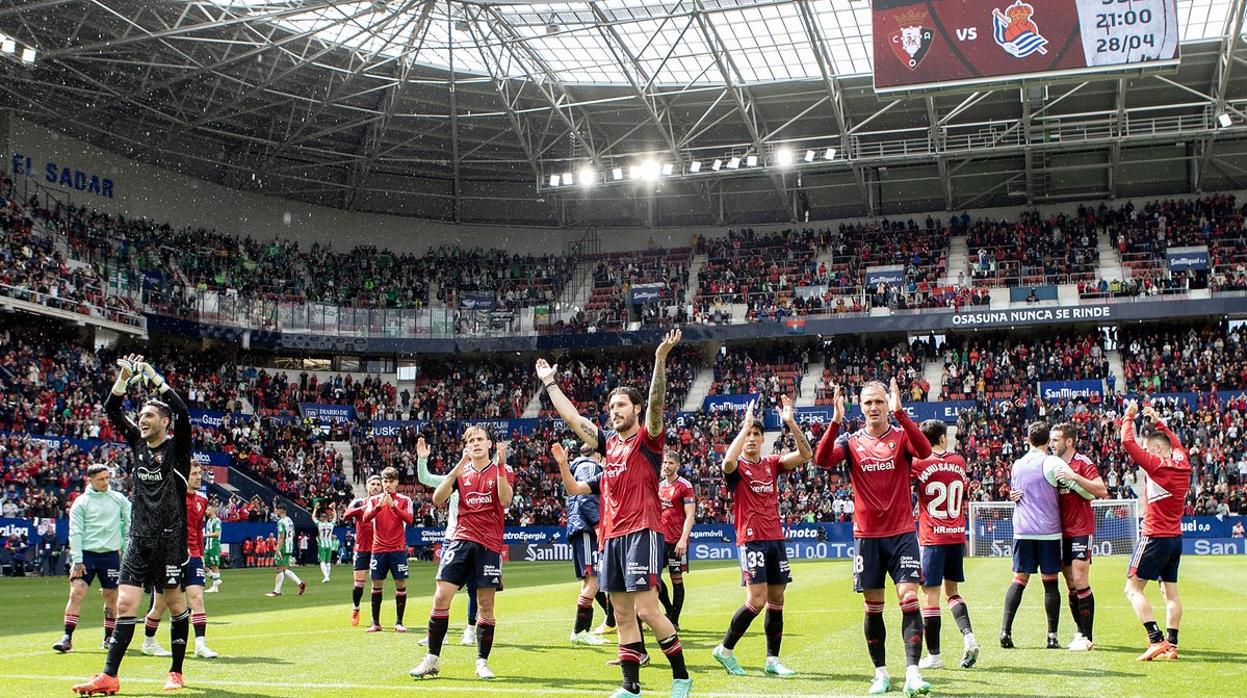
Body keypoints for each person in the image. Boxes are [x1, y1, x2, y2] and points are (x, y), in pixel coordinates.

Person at [539, 328, 693, 698]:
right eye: (611, 408)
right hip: (611, 538)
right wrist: (550, 383)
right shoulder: (608, 446)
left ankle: (681, 678)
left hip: (643, 531)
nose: (614, 412)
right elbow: (574, 419)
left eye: (621, 405)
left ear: (635, 409)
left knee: (646, 610)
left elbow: (656, 406)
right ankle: (630, 686)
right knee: (622, 614)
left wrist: (659, 360)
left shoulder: (648, 440)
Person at [73, 355, 193, 695]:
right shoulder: (138, 443)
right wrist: (125, 376)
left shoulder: (178, 449)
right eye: (140, 415)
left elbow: (184, 411)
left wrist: (153, 376)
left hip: (170, 540)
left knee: (174, 605)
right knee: (125, 605)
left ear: (165, 422)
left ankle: (176, 671)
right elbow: (112, 409)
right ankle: (110, 675)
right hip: (138, 539)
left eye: (149, 415)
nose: (141, 419)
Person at [814, 380, 933, 697]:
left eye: (879, 401)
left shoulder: (902, 435)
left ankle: (912, 673)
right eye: (868, 402)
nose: (874, 407)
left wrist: (902, 413)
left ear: (887, 403)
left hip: (902, 534)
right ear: (860, 406)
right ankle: (881, 673)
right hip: (867, 537)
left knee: (909, 599)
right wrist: (835, 419)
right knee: (873, 608)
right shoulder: (850, 441)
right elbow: (822, 460)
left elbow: (925, 451)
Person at [711, 395, 810, 678]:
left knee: (777, 597)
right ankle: (725, 649)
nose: (752, 438)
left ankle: (772, 660)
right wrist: (743, 427)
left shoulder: (771, 463)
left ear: (764, 439)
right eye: (748, 435)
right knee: (756, 600)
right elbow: (727, 462)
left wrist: (790, 422)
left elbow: (806, 455)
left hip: (775, 538)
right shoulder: (738, 468)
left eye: (756, 434)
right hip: (751, 538)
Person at [410, 429, 513, 680]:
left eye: (480, 439)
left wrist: (500, 467)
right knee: (441, 597)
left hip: (489, 545)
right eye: (471, 441)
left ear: (489, 443)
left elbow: (506, 500)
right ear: (465, 446)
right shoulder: (461, 472)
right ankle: (432, 660)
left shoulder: (503, 470)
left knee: (485, 605)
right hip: (460, 540)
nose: (476, 444)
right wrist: (458, 468)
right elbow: (437, 498)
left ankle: (482, 662)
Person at [1121, 402, 1191, 661]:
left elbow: (1127, 442)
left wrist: (1129, 415)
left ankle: (1155, 639)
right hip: (1175, 538)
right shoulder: (1183, 464)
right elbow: (1177, 444)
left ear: (1158, 449)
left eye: (1150, 448)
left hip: (1154, 536)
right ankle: (1172, 645)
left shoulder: (1157, 466)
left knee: (1132, 589)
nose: (1146, 452)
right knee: (1170, 593)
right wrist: (1158, 420)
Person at [911, 419, 979, 671]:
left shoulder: (919, 463)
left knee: (929, 595)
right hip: (956, 535)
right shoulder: (959, 462)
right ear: (941, 438)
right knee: (952, 592)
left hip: (933, 538)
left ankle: (935, 657)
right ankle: (969, 637)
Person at [1000, 422, 1066, 650]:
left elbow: (1016, 493)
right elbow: (1067, 486)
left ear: (1027, 439)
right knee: (1050, 584)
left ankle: (1005, 631)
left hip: (1023, 530)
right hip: (1048, 531)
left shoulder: (1017, 464)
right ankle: (1052, 637)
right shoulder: (1051, 462)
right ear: (1048, 441)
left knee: (1019, 580)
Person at [144, 464, 219, 660]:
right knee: (159, 606)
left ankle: (200, 645)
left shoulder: (202, 500)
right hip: (169, 556)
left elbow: (197, 530)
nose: (198, 477)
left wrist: (201, 556)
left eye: (199, 474)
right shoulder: (170, 498)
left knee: (197, 599)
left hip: (193, 556)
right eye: (194, 473)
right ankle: (149, 642)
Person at [54, 464, 131, 654]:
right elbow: (76, 532)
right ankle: (67, 637)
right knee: (76, 593)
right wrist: (77, 560)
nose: (106, 482)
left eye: (107, 478)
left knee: (111, 597)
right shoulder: (81, 503)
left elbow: (131, 521)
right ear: (90, 480)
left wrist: (128, 548)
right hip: (86, 556)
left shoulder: (118, 498)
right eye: (101, 479)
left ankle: (108, 637)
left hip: (111, 556)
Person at [1050, 422, 1107, 652]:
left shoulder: (1083, 463)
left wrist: (1074, 477)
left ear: (1069, 441)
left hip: (1081, 529)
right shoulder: (1050, 465)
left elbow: (1101, 490)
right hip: (1057, 532)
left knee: (1080, 579)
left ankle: (1087, 636)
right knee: (1070, 583)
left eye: (1056, 439)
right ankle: (1079, 631)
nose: (1051, 443)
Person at [417, 438, 479, 647]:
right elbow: (424, 478)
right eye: (467, 450)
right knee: (443, 589)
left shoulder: (485, 477)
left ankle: (470, 630)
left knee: (473, 587)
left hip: (476, 539)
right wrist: (422, 459)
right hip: (452, 538)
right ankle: (437, 633)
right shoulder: (454, 478)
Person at [566, 443, 609, 646]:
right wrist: (598, 526)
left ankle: (583, 630)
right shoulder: (590, 467)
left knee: (589, 581)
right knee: (594, 580)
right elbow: (585, 498)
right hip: (586, 529)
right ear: (599, 454)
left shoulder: (578, 466)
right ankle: (580, 630)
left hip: (580, 527)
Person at [364, 467, 414, 632]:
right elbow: (365, 518)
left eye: (391, 481)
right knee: (377, 583)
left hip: (398, 548)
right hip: (378, 548)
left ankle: (399, 622)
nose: (387, 484)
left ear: (397, 483)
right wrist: (378, 507)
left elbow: (409, 519)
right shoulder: (374, 500)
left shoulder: (404, 500)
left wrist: (393, 507)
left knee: (400, 583)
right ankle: (375, 623)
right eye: (385, 481)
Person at [657, 451, 695, 633]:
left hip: (676, 542)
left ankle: (674, 620)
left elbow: (690, 515)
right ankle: (669, 611)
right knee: (654, 579)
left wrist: (683, 539)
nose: (666, 466)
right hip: (658, 540)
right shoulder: (659, 486)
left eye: (670, 463)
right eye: (665, 462)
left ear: (677, 466)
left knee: (676, 580)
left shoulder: (685, 486)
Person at [342, 475, 382, 626]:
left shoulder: (385, 503)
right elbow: (346, 515)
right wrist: (363, 508)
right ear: (367, 486)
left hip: (379, 549)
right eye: (373, 484)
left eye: (378, 484)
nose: (375, 487)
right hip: (362, 548)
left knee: (376, 585)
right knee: (359, 584)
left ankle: (375, 618)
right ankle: (356, 608)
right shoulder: (359, 502)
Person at [265, 503, 305, 597]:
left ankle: (277, 591)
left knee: (279, 568)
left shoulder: (281, 522)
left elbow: (282, 536)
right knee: (284, 568)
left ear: (281, 510)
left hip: (283, 546)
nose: (276, 511)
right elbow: (293, 534)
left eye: (277, 509)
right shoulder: (290, 520)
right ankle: (300, 583)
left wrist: (278, 548)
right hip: (289, 545)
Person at [315, 504, 336, 584]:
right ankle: (327, 576)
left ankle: (326, 576)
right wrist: (333, 509)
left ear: (323, 518)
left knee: (322, 561)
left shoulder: (320, 524)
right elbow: (335, 517)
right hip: (329, 544)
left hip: (322, 544)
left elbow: (313, 518)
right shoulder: (331, 524)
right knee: (328, 562)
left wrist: (315, 509)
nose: (320, 518)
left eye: (321, 517)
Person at [203, 506, 222, 593]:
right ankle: (215, 579)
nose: (206, 511)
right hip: (208, 545)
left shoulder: (217, 521)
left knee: (214, 565)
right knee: (203, 564)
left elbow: (217, 534)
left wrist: (205, 535)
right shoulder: (208, 521)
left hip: (214, 545)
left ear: (213, 510)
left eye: (208, 509)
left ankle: (215, 586)